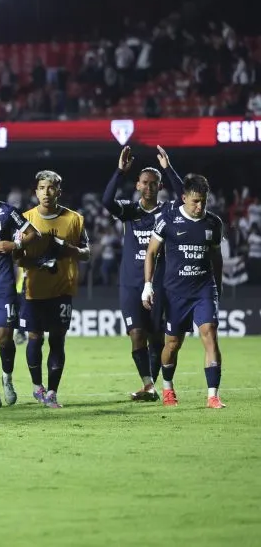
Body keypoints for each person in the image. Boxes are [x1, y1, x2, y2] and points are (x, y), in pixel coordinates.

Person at [102, 145, 183, 401]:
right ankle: (148, 385)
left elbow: (184, 197)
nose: (149, 187)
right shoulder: (129, 210)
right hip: (130, 284)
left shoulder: (168, 211)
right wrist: (118, 172)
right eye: (145, 183)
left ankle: (150, 387)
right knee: (136, 334)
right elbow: (106, 201)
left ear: (160, 187)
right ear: (137, 185)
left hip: (160, 284)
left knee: (157, 338)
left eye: (154, 183)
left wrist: (167, 169)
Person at [143, 174, 226, 408]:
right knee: (172, 344)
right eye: (195, 201)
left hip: (203, 289)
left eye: (203, 201)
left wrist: (217, 287)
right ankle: (168, 388)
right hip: (175, 293)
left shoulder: (214, 223)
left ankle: (213, 396)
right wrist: (148, 285)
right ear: (183, 198)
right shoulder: (167, 220)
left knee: (209, 332)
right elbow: (151, 253)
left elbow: (216, 257)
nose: (199, 207)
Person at [16, 170, 91, 409]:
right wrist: (37, 260)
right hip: (34, 291)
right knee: (34, 339)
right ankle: (37, 386)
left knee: (57, 340)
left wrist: (67, 249)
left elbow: (87, 253)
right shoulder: (24, 219)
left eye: (51, 188)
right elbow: (17, 257)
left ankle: (52, 393)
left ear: (59, 191)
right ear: (35, 191)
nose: (46, 192)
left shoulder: (74, 219)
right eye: (42, 188)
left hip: (62, 291)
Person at [0, 173, 38, 407]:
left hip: (2, 285)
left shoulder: (6, 211)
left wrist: (15, 244)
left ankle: (7, 379)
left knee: (4, 339)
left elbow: (34, 233)